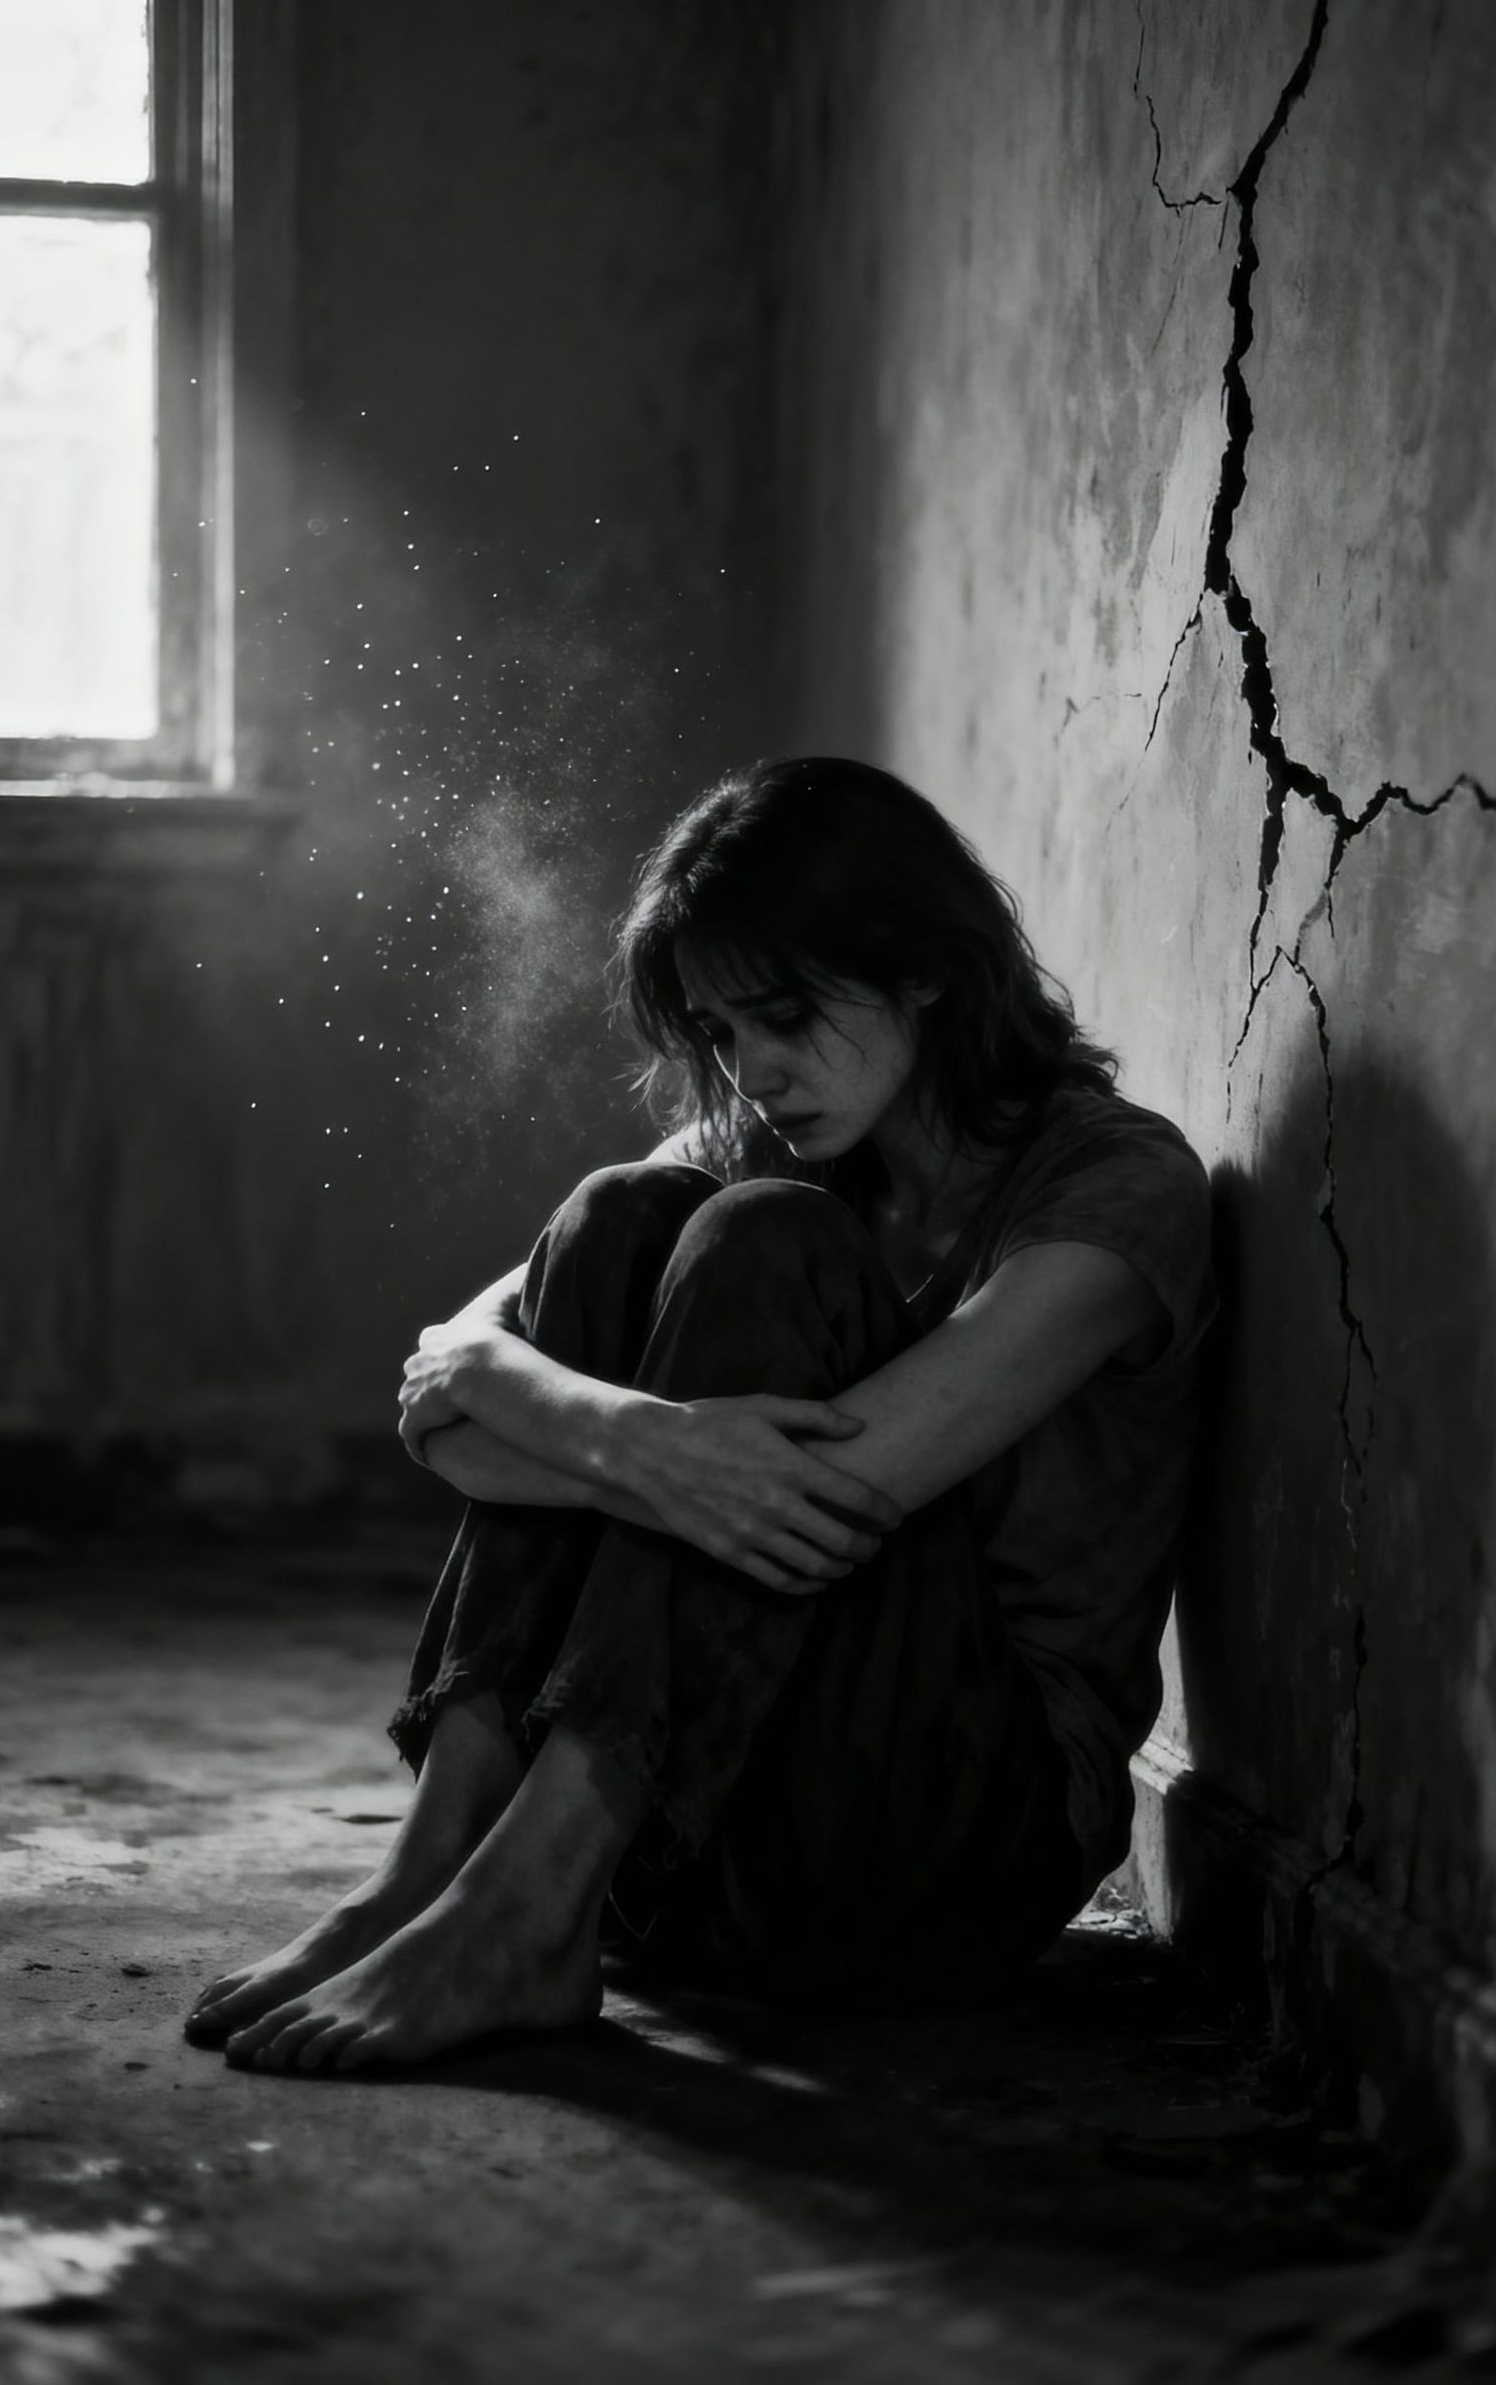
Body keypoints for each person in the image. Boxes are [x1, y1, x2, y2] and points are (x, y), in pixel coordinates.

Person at [185, 756, 1215, 2075]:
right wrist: (644, 1441)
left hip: (940, 1859)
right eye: (724, 1032)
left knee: (766, 1243)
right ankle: (438, 1874)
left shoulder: (1118, 1188)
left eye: (784, 1016)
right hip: (693, 1846)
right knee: (619, 1214)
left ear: (928, 970)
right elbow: (448, 1383)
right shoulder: (765, 1140)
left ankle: (525, 1906)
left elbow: (831, 1490)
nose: (755, 1070)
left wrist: (578, 1432)